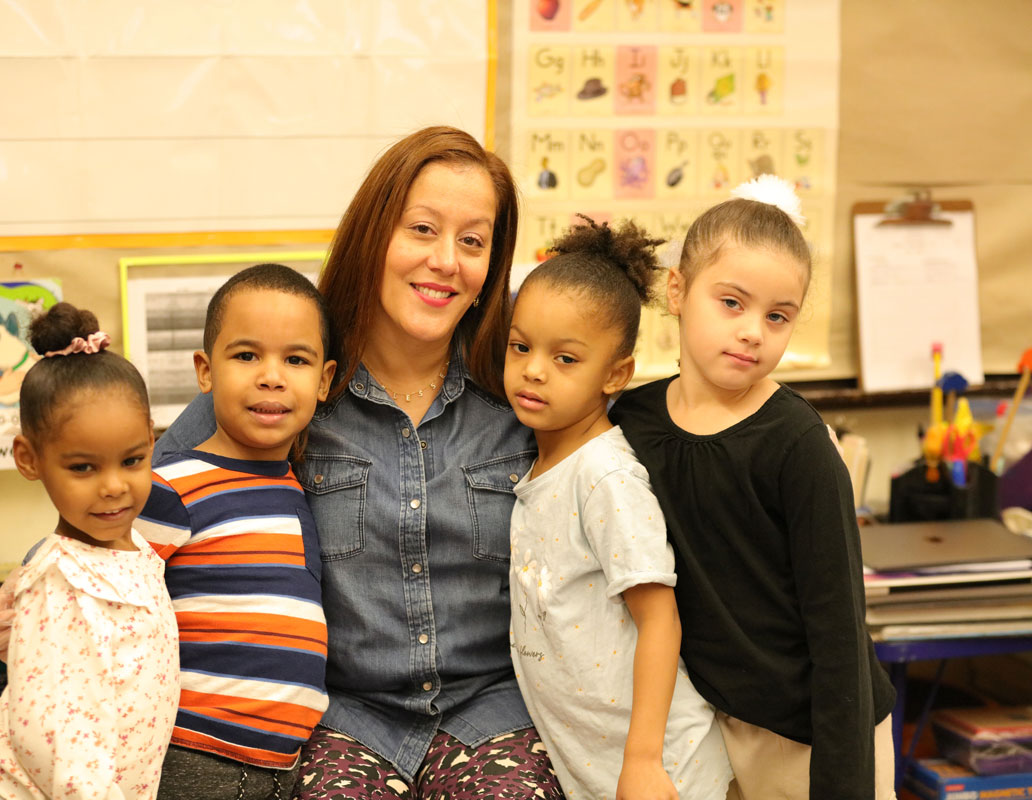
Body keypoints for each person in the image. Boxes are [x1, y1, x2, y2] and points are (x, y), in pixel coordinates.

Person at [155, 126, 565, 798]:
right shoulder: (291, 382)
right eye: (422, 230)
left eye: (472, 241)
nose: (444, 261)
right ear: (374, 234)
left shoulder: (520, 391)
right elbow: (135, 504)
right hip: (344, 722)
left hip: (491, 716)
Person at [608, 176, 897, 800]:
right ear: (678, 290)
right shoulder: (629, 421)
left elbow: (840, 630)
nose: (752, 332)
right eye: (732, 303)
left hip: (818, 733)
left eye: (777, 316)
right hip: (709, 723)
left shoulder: (799, 444)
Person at [504, 216, 732, 800]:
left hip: (662, 769)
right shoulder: (538, 464)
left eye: (566, 359)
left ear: (616, 374)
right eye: (521, 346)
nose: (534, 369)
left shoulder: (606, 477)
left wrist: (643, 760)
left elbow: (660, 617)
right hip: (593, 764)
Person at [0, 303, 179, 799]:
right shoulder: (62, 582)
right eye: (83, 468)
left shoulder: (135, 552)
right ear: (29, 460)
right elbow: (56, 738)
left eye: (133, 459)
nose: (114, 486)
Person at [135, 264, 337, 800]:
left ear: (324, 380)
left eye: (295, 359)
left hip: (283, 767)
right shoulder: (169, 486)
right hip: (195, 755)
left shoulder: (300, 485)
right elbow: (109, 594)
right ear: (205, 371)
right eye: (246, 355)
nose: (271, 375)